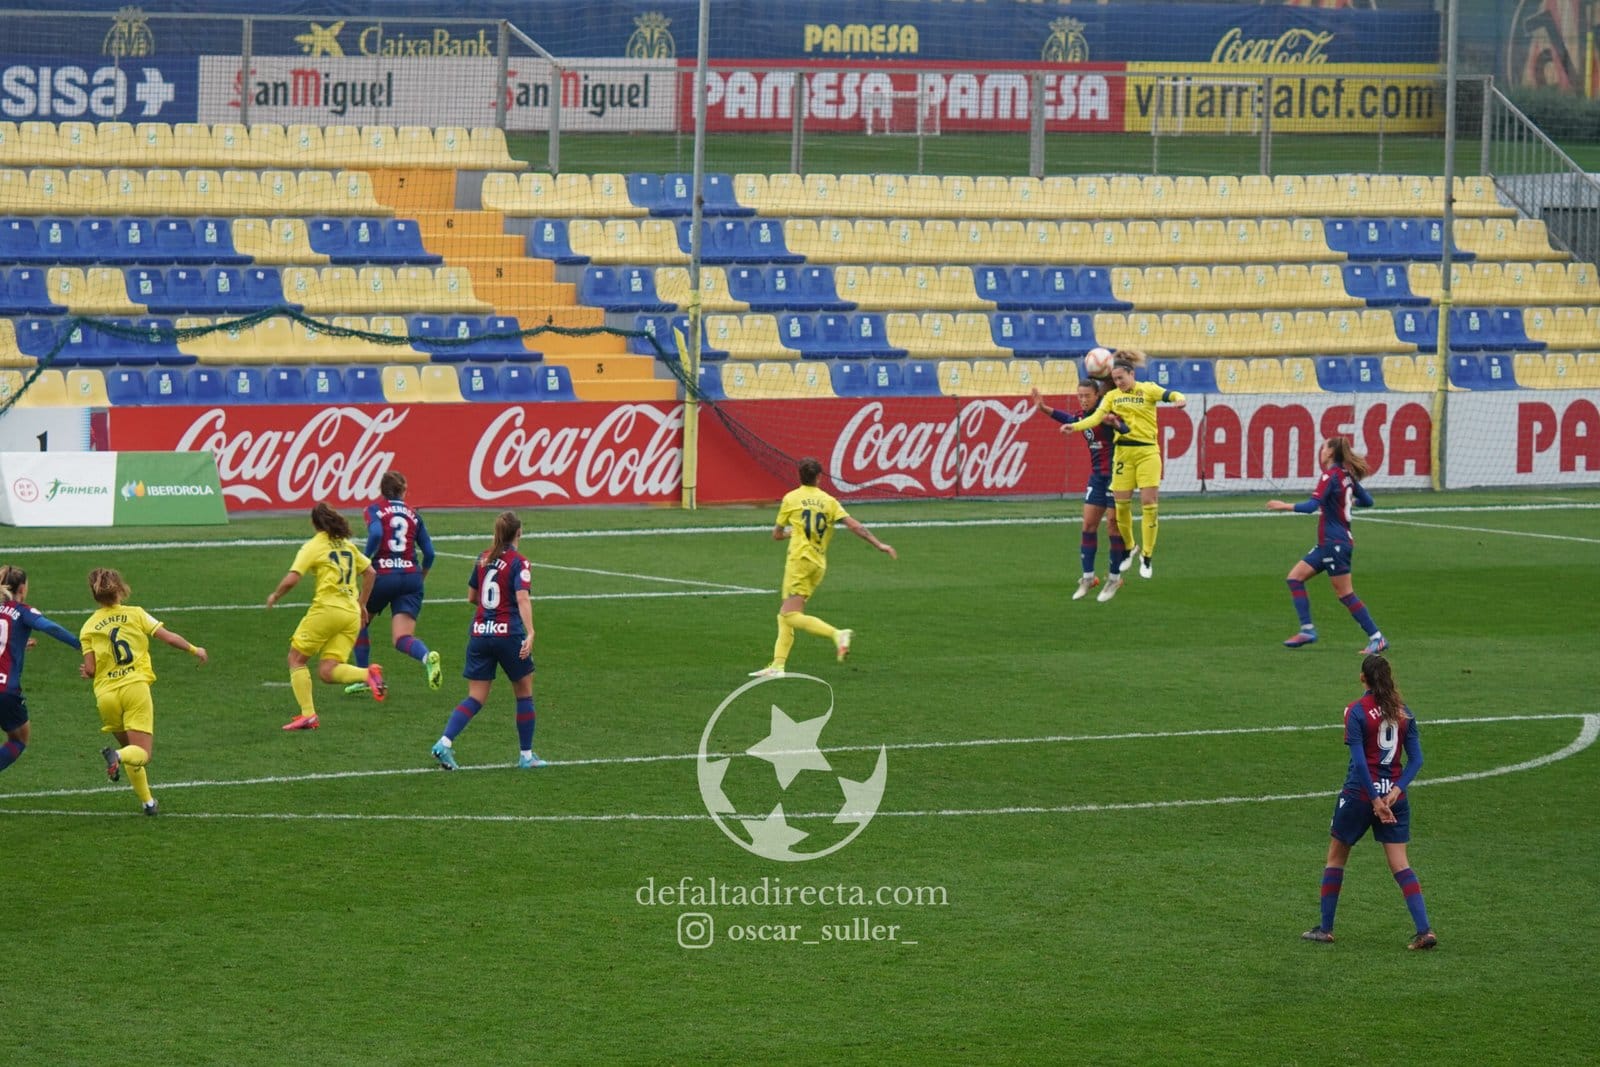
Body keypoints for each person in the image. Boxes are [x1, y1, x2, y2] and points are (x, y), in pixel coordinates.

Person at [1302, 653, 1436, 950]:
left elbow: (1361, 763)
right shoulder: (1404, 712)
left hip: (1361, 796)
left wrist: (1375, 800)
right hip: (1395, 798)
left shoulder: (1356, 711)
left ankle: (1325, 929)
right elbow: (1416, 759)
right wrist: (1397, 790)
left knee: (1336, 857)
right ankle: (1424, 929)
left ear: (1363, 678)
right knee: (1401, 865)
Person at [749, 456, 897, 678]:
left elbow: (777, 534)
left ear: (799, 476)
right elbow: (855, 526)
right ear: (819, 478)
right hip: (818, 563)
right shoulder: (829, 501)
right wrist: (879, 544)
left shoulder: (791, 499)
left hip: (799, 561)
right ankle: (777, 666)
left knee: (790, 615)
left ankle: (837, 634)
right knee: (785, 614)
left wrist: (792, 532)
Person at [79, 568, 207, 815]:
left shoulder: (88, 627)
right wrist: (194, 649)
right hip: (135, 689)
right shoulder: (135, 614)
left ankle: (148, 802)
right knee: (141, 754)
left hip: (106, 696)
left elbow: (91, 669)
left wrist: (88, 671)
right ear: (119, 589)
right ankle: (114, 755)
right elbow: (168, 638)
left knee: (131, 751)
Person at [431, 511, 543, 770]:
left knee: (475, 697)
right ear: (518, 533)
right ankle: (526, 756)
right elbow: (523, 597)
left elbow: (471, 596)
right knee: (524, 693)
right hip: (508, 635)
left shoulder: (483, 558)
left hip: (480, 633)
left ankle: (444, 743)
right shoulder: (519, 562)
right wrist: (531, 632)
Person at [1062, 349, 1186, 581]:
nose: (1118, 382)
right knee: (1121, 506)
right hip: (1123, 453)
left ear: (1131, 374)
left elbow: (1171, 394)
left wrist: (1180, 399)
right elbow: (1095, 418)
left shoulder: (1148, 389)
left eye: (1121, 378)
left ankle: (1147, 556)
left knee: (1149, 502)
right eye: (1115, 379)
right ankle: (1130, 547)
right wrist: (1075, 427)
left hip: (1147, 451)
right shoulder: (1111, 397)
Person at [267, 501, 384, 731]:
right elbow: (370, 572)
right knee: (328, 670)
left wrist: (275, 595)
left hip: (328, 610)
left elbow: (292, 578)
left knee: (296, 659)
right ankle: (367, 674)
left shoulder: (314, 545)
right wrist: (362, 605)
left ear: (314, 523)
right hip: (350, 614)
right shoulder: (347, 545)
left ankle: (308, 715)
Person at [1267, 435, 1388, 654]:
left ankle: (1377, 637)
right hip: (1328, 544)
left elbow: (1311, 506)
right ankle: (1307, 630)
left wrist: (1284, 506)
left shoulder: (1330, 476)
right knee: (1294, 578)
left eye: (1323, 448)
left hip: (1335, 544)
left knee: (1345, 594)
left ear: (1331, 452)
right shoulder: (1347, 476)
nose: (1320, 451)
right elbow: (1369, 501)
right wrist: (1349, 501)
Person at [1031, 380, 1131, 602]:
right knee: (1088, 525)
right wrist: (1043, 408)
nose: (1083, 399)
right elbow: (1069, 419)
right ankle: (1088, 578)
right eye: (1080, 396)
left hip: (1118, 476)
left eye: (1087, 395)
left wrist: (1116, 424)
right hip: (1097, 477)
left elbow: (1126, 429)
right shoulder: (1082, 417)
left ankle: (1114, 578)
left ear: (1097, 396)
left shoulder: (1106, 414)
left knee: (1114, 527)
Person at [345, 470, 441, 695]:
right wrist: (421, 576)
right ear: (403, 491)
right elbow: (430, 553)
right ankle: (427, 657)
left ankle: (364, 676)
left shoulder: (375, 509)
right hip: (410, 578)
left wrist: (366, 561)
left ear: (382, 490)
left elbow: (377, 534)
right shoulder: (414, 514)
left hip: (383, 576)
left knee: (358, 620)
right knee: (402, 637)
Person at [0, 565, 82, 776]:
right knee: (18, 739)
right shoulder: (23, 611)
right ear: (22, 589)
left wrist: (17, 643)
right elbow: (50, 627)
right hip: (5, 689)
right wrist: (79, 644)